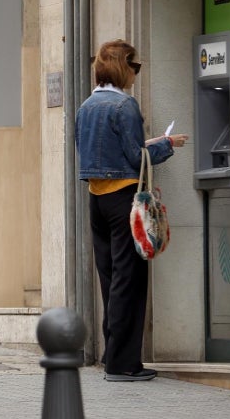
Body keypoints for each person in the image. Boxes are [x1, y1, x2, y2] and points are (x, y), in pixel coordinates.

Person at [75, 39, 188, 382]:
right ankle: (123, 364)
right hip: (125, 199)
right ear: (122, 67)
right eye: (134, 67)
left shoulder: (86, 106)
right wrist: (167, 146)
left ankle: (114, 354)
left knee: (111, 279)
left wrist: (147, 144)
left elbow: (103, 152)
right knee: (130, 279)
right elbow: (135, 159)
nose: (137, 74)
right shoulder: (125, 107)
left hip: (97, 199)